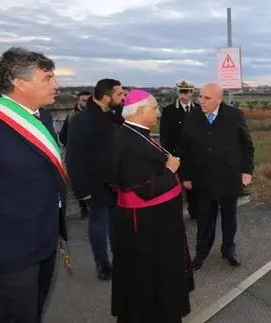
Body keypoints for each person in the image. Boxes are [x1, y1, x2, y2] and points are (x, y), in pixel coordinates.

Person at [0, 47, 67, 323]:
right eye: (47, 78)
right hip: (7, 252)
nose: (56, 85)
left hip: (44, 241)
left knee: (33, 313)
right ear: (20, 83)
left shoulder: (41, 117)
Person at [110, 89, 194, 323]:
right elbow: (146, 189)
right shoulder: (131, 143)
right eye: (155, 107)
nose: (158, 111)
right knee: (151, 280)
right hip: (148, 225)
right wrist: (171, 169)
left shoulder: (135, 134)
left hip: (155, 220)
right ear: (141, 110)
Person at [178, 82, 254, 271]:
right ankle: (201, 252)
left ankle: (229, 250)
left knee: (230, 218)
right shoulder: (192, 117)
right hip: (202, 179)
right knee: (204, 219)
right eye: (200, 97)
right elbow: (184, 149)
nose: (201, 101)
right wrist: (185, 175)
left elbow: (247, 146)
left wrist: (246, 170)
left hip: (229, 177)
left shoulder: (234, 116)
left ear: (219, 99)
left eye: (207, 98)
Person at [65, 78, 125, 281]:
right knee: (98, 223)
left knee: (118, 224)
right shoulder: (82, 120)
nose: (123, 97)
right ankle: (102, 262)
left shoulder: (116, 116)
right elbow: (74, 157)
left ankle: (122, 259)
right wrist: (82, 190)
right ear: (106, 97)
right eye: (119, 94)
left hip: (117, 183)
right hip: (95, 184)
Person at [159, 80, 198, 218]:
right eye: (181, 91)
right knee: (175, 185)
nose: (183, 95)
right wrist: (169, 154)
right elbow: (164, 135)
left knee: (192, 185)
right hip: (175, 154)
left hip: (193, 155)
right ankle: (175, 214)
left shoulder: (198, 109)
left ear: (192, 93)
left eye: (186, 92)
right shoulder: (169, 110)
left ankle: (194, 211)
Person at [58, 90, 92, 219]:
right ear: (78, 101)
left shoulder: (94, 115)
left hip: (90, 155)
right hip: (76, 155)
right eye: (83, 100)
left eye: (89, 100)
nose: (86, 103)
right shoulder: (72, 115)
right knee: (78, 182)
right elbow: (63, 136)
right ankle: (83, 207)